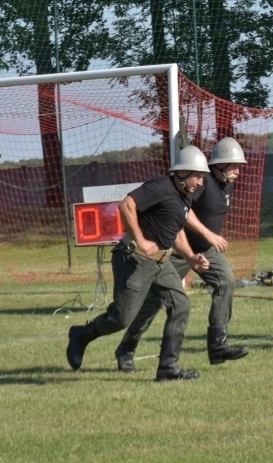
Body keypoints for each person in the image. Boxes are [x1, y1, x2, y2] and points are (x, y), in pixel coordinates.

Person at [66, 146, 211, 381]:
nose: (201, 183)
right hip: (134, 259)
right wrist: (141, 240)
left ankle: (168, 369)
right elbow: (126, 205)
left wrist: (191, 258)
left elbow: (172, 232)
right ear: (183, 172)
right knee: (122, 319)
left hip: (161, 264)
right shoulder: (160, 186)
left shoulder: (185, 197)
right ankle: (81, 334)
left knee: (181, 305)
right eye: (198, 176)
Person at [114, 138, 251, 372]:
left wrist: (208, 240)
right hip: (180, 249)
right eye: (233, 165)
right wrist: (208, 234)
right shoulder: (202, 182)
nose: (238, 170)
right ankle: (126, 348)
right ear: (218, 165)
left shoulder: (227, 183)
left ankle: (218, 344)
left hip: (205, 250)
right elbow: (183, 211)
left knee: (226, 280)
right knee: (154, 303)